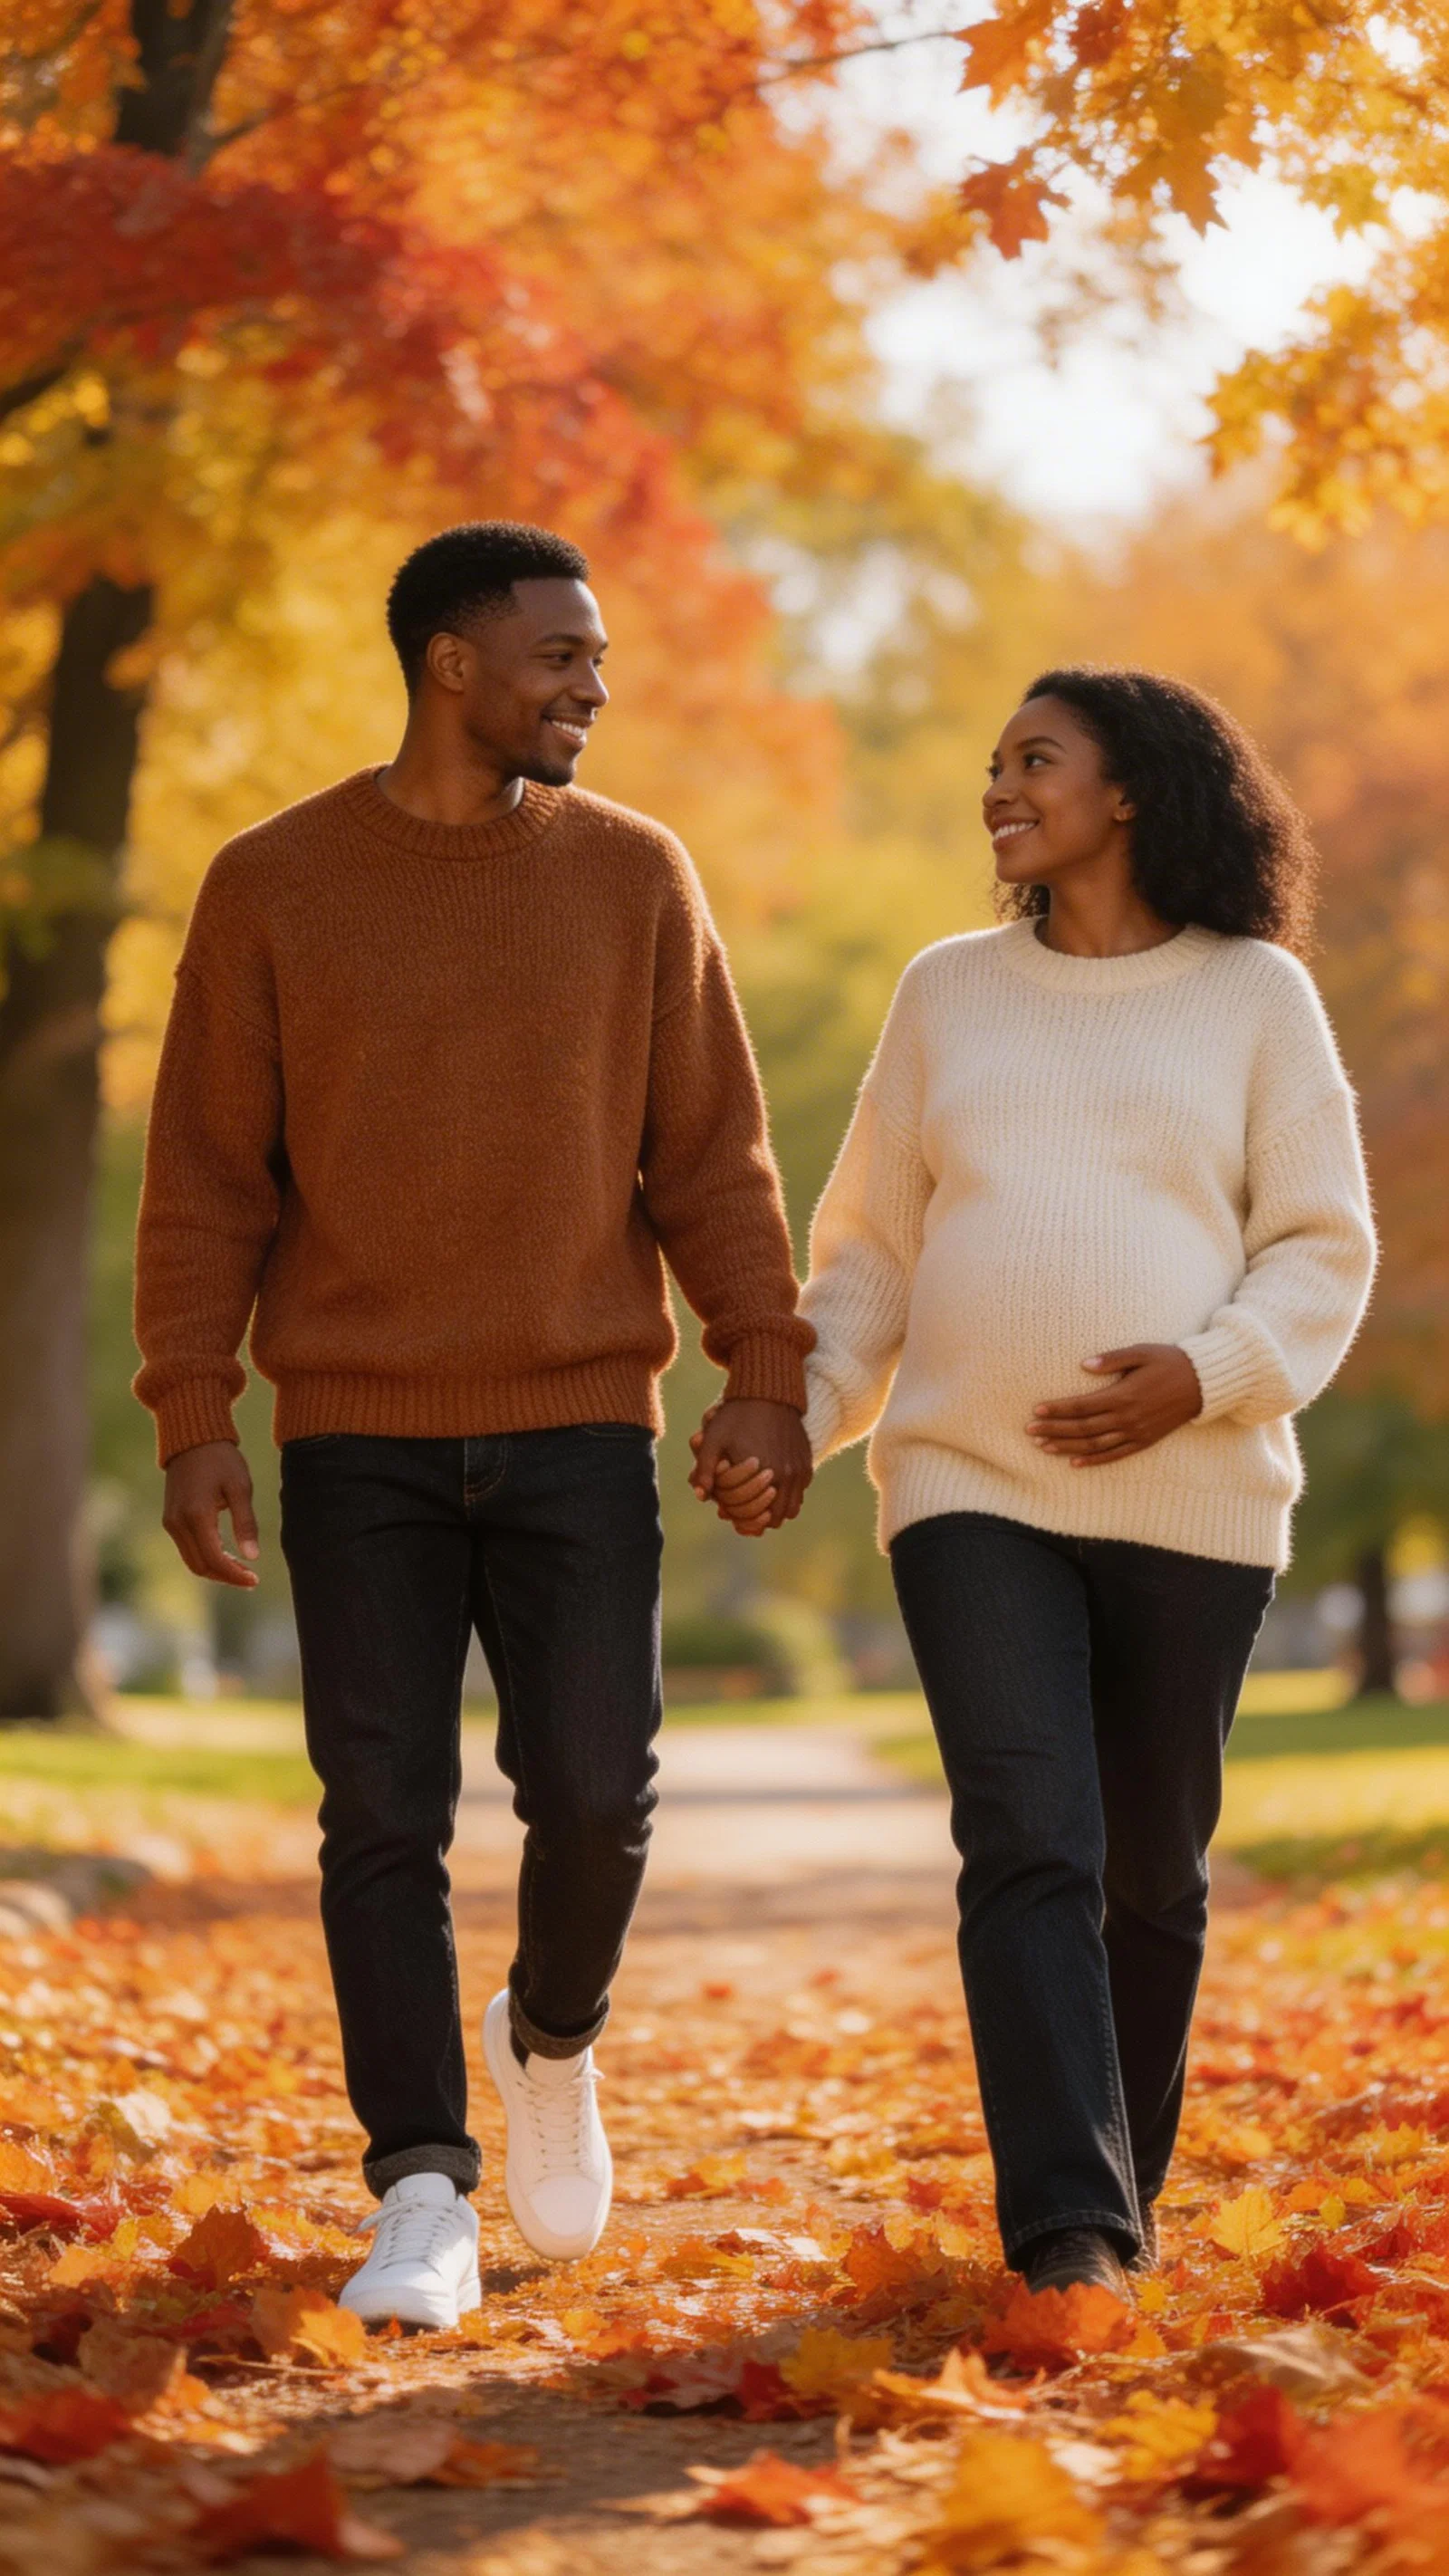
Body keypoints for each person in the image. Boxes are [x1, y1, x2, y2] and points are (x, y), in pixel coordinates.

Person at [133, 521, 812, 2329]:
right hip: (351, 1430)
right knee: (380, 1812)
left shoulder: (636, 876)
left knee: (593, 1792)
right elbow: (206, 1179)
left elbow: (715, 1162)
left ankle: (551, 2033)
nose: (594, 684)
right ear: (452, 663)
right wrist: (192, 1408)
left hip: (578, 1414)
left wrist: (764, 1371)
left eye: (594, 657)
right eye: (560, 656)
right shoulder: (271, 884)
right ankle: (419, 2187)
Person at [702, 666, 1375, 2294]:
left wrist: (1203, 1376)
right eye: (992, 762)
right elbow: (871, 1247)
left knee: (1151, 1875)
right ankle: (1068, 2230)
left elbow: (1320, 1247)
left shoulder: (1255, 997)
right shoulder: (948, 992)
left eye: (1035, 761)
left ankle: (1115, 2198)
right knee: (1029, 1840)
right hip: (968, 1485)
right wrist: (809, 1406)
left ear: (1131, 788)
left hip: (1196, 1500)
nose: (998, 788)